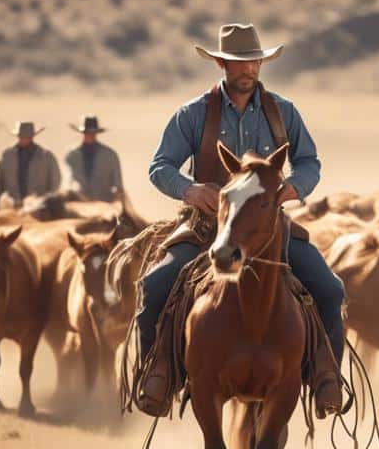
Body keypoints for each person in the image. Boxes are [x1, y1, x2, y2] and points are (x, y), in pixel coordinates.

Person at [138, 23, 344, 418]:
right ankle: (158, 373)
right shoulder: (193, 114)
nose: (248, 69)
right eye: (238, 63)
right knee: (154, 286)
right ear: (220, 63)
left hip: (269, 230)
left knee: (330, 290)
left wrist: (294, 188)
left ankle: (326, 378)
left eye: (254, 61)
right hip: (207, 228)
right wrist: (191, 190)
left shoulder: (283, 112)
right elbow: (159, 165)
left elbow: (309, 161)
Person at [0, 121, 61, 209]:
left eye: (27, 136)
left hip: (39, 208)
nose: (24, 139)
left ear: (32, 136)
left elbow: (55, 182)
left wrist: (47, 201)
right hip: (12, 206)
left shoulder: (46, 156)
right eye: (22, 136)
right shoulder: (7, 155)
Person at [65, 116, 124, 202]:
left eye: (92, 133)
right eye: (87, 133)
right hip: (79, 205)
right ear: (83, 133)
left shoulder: (110, 155)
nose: (90, 135)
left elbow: (118, 185)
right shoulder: (72, 155)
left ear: (96, 133)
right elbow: (68, 182)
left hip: (105, 205)